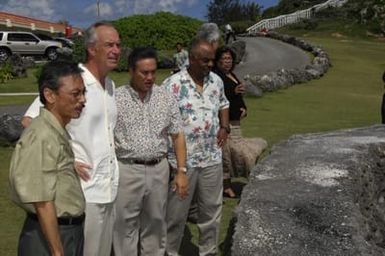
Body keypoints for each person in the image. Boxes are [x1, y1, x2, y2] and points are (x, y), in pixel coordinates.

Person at [20, 21, 121, 256]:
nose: (116, 50)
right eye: (109, 45)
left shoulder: (111, 86)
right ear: (92, 49)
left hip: (109, 188)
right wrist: (67, 160)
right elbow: (30, 121)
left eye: (118, 44)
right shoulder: (72, 80)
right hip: (83, 192)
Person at [112, 47, 188, 256]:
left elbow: (178, 134)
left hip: (159, 169)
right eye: (144, 72)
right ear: (130, 71)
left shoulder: (166, 97)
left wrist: (181, 170)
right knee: (124, 226)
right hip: (127, 170)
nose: (150, 77)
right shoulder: (115, 98)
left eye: (153, 72)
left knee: (155, 224)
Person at [9, 60, 86, 256]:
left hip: (64, 232)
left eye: (84, 92)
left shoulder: (53, 130)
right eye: (75, 94)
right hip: (49, 237)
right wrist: (58, 251)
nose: (83, 100)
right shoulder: (42, 135)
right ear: (50, 95)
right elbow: (42, 201)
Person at [163, 37, 230, 256]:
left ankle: (208, 252)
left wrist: (225, 126)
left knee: (211, 211)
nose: (210, 64)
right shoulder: (172, 84)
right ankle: (169, 252)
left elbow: (224, 103)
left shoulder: (216, 81)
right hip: (183, 162)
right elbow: (161, 120)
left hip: (211, 158)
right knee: (175, 214)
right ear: (191, 58)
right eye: (205, 60)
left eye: (212, 60)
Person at [213, 46, 268, 197]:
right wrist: (233, 92)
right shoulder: (216, 77)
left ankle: (228, 184)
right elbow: (218, 99)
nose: (227, 62)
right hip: (225, 122)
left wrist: (243, 108)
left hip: (236, 122)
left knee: (231, 154)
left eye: (229, 59)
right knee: (228, 154)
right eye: (223, 59)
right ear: (217, 61)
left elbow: (238, 97)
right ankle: (226, 186)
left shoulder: (231, 74)